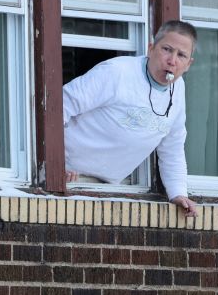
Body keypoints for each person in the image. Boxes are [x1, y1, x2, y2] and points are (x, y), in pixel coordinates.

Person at [62, 20, 199, 218]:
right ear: (151, 48)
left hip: (110, 187)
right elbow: (60, 104)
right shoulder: (117, 72)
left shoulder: (178, 90)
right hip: (69, 176)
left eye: (181, 55)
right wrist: (54, 164)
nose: (172, 60)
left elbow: (172, 147)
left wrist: (178, 193)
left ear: (188, 64)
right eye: (166, 49)